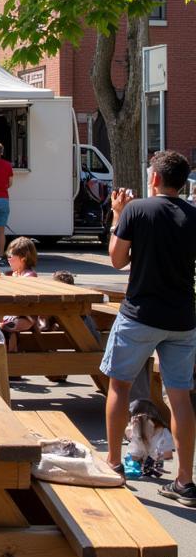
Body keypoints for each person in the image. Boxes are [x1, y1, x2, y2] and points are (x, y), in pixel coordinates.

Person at [103, 150, 196, 505]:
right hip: (181, 318)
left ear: (154, 178)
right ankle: (185, 481)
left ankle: (113, 465)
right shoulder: (193, 215)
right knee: (180, 397)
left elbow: (116, 259)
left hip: (140, 313)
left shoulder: (137, 210)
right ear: (183, 182)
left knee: (119, 386)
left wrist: (116, 215)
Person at [0, 236, 39, 350]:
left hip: (27, 316)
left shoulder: (29, 275)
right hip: (11, 313)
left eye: (11, 257)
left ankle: (9, 354)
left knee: (4, 327)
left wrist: (4, 280)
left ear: (23, 258)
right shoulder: (13, 274)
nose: (8, 260)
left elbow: (19, 289)